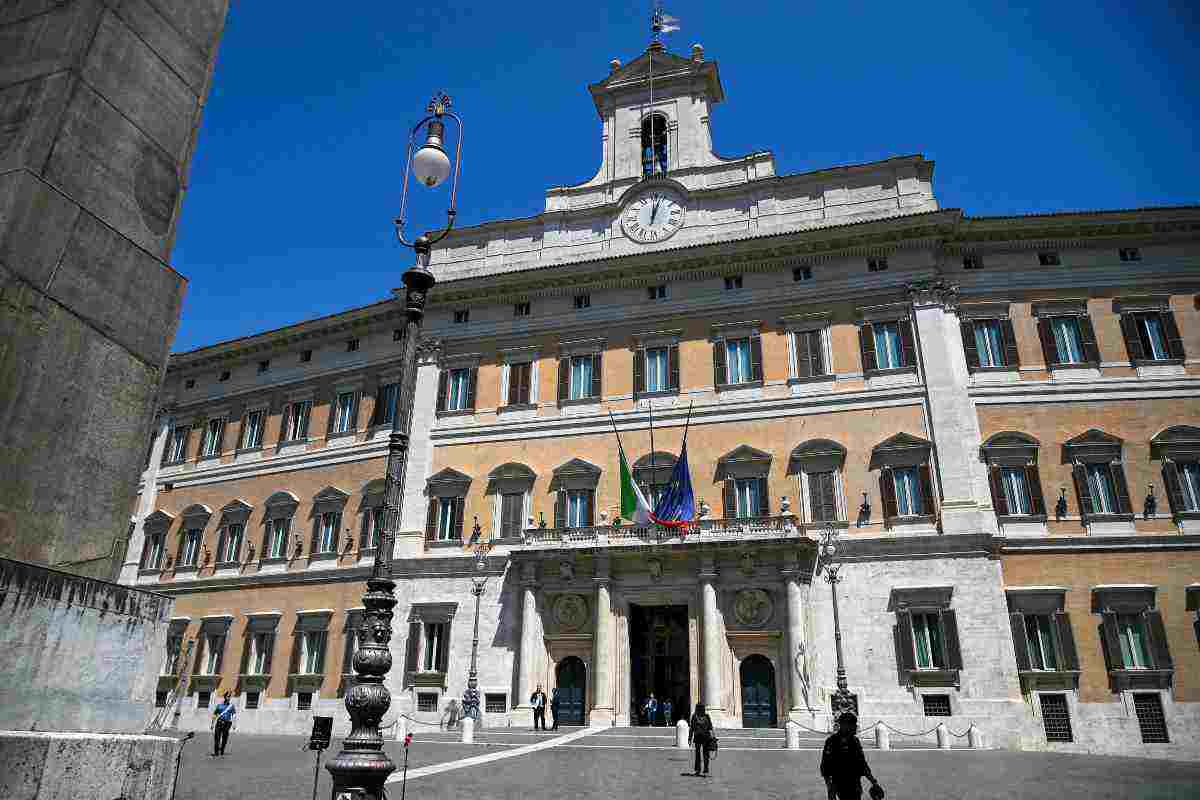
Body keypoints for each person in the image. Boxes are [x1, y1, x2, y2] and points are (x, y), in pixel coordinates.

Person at [820, 712, 881, 800]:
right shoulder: (832, 741)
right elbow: (825, 766)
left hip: (855, 783)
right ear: (844, 725)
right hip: (840, 784)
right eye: (853, 724)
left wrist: (874, 782)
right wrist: (830, 788)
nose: (855, 727)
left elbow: (862, 763)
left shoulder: (855, 741)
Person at [688, 702, 714, 776]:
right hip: (706, 737)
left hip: (698, 737)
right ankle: (706, 768)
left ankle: (698, 769)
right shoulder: (707, 716)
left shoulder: (694, 716)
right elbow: (710, 728)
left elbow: (691, 728)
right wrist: (713, 737)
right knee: (706, 753)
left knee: (698, 754)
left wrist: (689, 738)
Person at [210, 691, 236, 757]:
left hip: (227, 723)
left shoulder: (231, 706)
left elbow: (233, 715)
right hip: (219, 722)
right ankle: (216, 752)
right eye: (227, 697)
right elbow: (215, 715)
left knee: (225, 738)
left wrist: (234, 724)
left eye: (229, 697)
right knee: (217, 738)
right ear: (225, 697)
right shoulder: (219, 706)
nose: (228, 698)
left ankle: (222, 750)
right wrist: (212, 724)